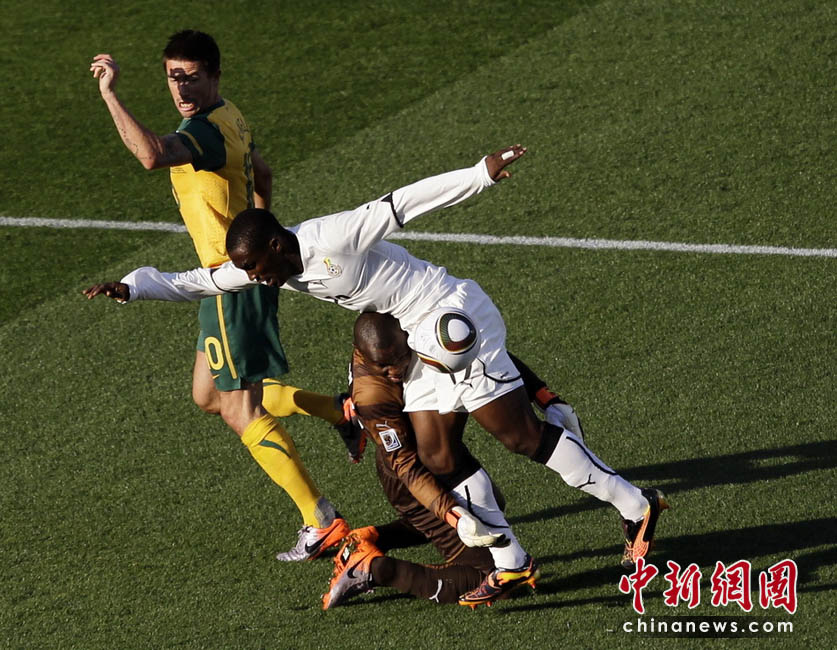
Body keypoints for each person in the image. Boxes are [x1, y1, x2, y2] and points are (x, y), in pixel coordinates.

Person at [83, 145, 667, 605]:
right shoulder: (270, 267)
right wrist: (134, 287)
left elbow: (401, 204)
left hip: (450, 316)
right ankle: (512, 562)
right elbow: (201, 281)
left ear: (278, 244)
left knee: (518, 436)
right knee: (437, 456)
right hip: (416, 341)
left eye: (256, 267)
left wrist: (479, 175)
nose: (255, 279)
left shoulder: (330, 237)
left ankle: (637, 506)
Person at [86, 30, 350, 559]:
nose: (181, 88)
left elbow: (151, 155)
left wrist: (110, 95)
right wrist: (263, 232)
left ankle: (320, 519)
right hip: (233, 277)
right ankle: (341, 413)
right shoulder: (231, 115)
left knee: (238, 408)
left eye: (191, 78)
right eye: (173, 78)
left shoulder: (203, 131)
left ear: (213, 75)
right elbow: (263, 173)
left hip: (229, 280)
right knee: (209, 396)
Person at [324, 312, 581, 609]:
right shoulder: (372, 396)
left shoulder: (409, 330)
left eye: (398, 359)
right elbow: (406, 466)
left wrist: (543, 394)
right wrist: (452, 515)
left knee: (490, 504)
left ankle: (374, 538)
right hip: (411, 477)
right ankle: (373, 568)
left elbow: (476, 349)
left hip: (436, 452)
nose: (393, 370)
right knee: (492, 578)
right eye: (384, 365)